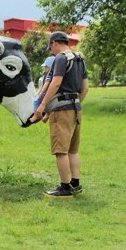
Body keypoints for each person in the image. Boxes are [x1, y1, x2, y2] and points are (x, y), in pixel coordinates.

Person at [30, 31, 89, 197]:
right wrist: (75, 104)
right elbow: (85, 89)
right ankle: (75, 184)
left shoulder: (61, 59)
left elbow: (55, 83)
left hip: (61, 110)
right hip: (76, 109)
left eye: (50, 46)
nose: (51, 50)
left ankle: (64, 187)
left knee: (60, 150)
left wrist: (42, 106)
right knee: (73, 149)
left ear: (55, 43)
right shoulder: (79, 59)